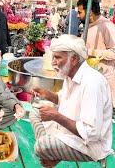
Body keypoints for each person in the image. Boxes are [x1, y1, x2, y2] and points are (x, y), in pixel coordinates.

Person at [30, 35, 113, 167]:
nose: (53, 62)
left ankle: (50, 152)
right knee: (35, 111)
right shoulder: (71, 74)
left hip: (90, 145)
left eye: (57, 57)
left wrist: (55, 116)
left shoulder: (92, 83)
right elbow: (64, 100)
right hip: (69, 130)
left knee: (41, 146)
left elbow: (91, 133)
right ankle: (51, 153)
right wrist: (47, 94)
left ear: (73, 59)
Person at [77, 0, 115, 108]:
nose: (78, 16)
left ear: (90, 12)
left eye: (80, 12)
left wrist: (91, 52)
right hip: (90, 78)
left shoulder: (107, 26)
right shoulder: (88, 26)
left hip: (105, 79)